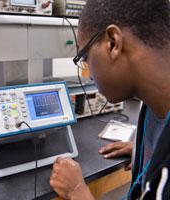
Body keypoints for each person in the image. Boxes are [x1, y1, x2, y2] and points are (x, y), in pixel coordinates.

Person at [50, 0, 170, 199]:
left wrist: (77, 191)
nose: (88, 75)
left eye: (85, 57)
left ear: (113, 43)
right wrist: (148, 152)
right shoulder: (152, 106)